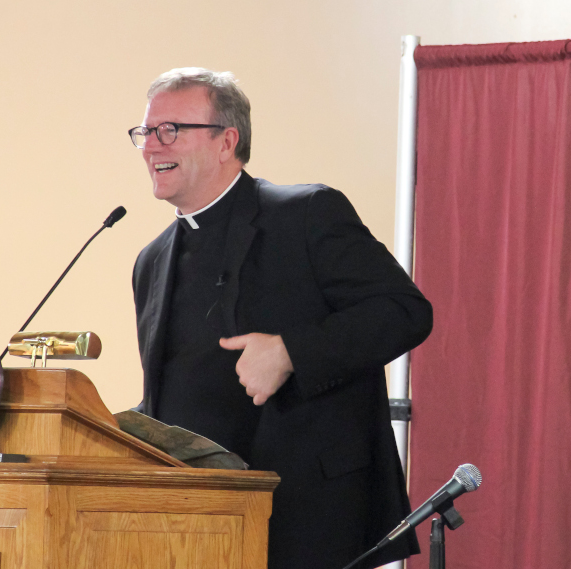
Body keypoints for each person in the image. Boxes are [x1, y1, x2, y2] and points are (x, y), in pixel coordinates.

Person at [129, 67, 432, 569]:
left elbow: (404, 312)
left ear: (227, 141)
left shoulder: (307, 213)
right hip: (200, 527)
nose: (151, 146)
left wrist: (292, 352)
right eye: (145, 132)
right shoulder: (151, 261)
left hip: (309, 516)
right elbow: (175, 393)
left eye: (170, 130)